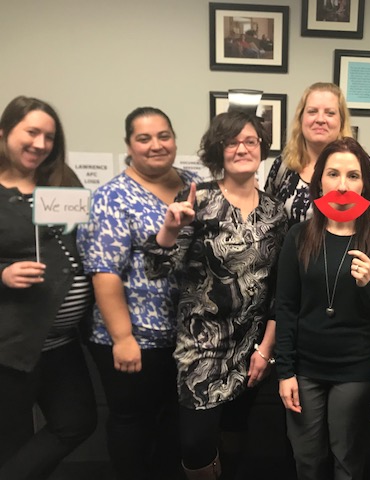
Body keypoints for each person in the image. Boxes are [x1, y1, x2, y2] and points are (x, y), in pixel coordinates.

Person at [144, 111, 287, 480]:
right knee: (195, 443)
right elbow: (158, 269)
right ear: (218, 151)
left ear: (261, 148)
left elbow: (279, 289)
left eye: (250, 141)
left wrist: (265, 349)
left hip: (251, 347)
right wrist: (169, 230)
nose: (242, 148)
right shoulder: (197, 200)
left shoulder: (275, 212)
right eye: (231, 142)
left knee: (236, 428)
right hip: (201, 345)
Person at [77, 107, 199, 480]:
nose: (156, 145)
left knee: (174, 422)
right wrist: (123, 337)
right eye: (144, 138)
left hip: (185, 337)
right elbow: (105, 274)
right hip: (134, 338)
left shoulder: (193, 186)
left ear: (175, 139)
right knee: (133, 421)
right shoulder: (112, 197)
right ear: (129, 145)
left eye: (163, 136)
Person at [276, 137, 370, 480]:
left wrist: (368, 286)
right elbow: (284, 307)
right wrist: (285, 372)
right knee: (307, 458)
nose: (343, 185)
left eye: (353, 176)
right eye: (333, 174)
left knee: (347, 457)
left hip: (356, 369)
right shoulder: (298, 237)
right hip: (305, 368)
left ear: (364, 185)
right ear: (320, 181)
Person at [0, 96, 97, 478]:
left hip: (62, 342)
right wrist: (3, 275)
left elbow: (80, 243)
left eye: (50, 137)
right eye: (32, 132)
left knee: (77, 421)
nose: (41, 144)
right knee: (14, 440)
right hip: (12, 343)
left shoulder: (63, 182)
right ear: (5, 132)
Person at [264, 82, 370, 229]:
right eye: (312, 111)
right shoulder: (283, 166)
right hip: (290, 251)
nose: (320, 119)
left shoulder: (362, 164)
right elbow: (268, 223)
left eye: (330, 113)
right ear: (301, 118)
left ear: (341, 121)